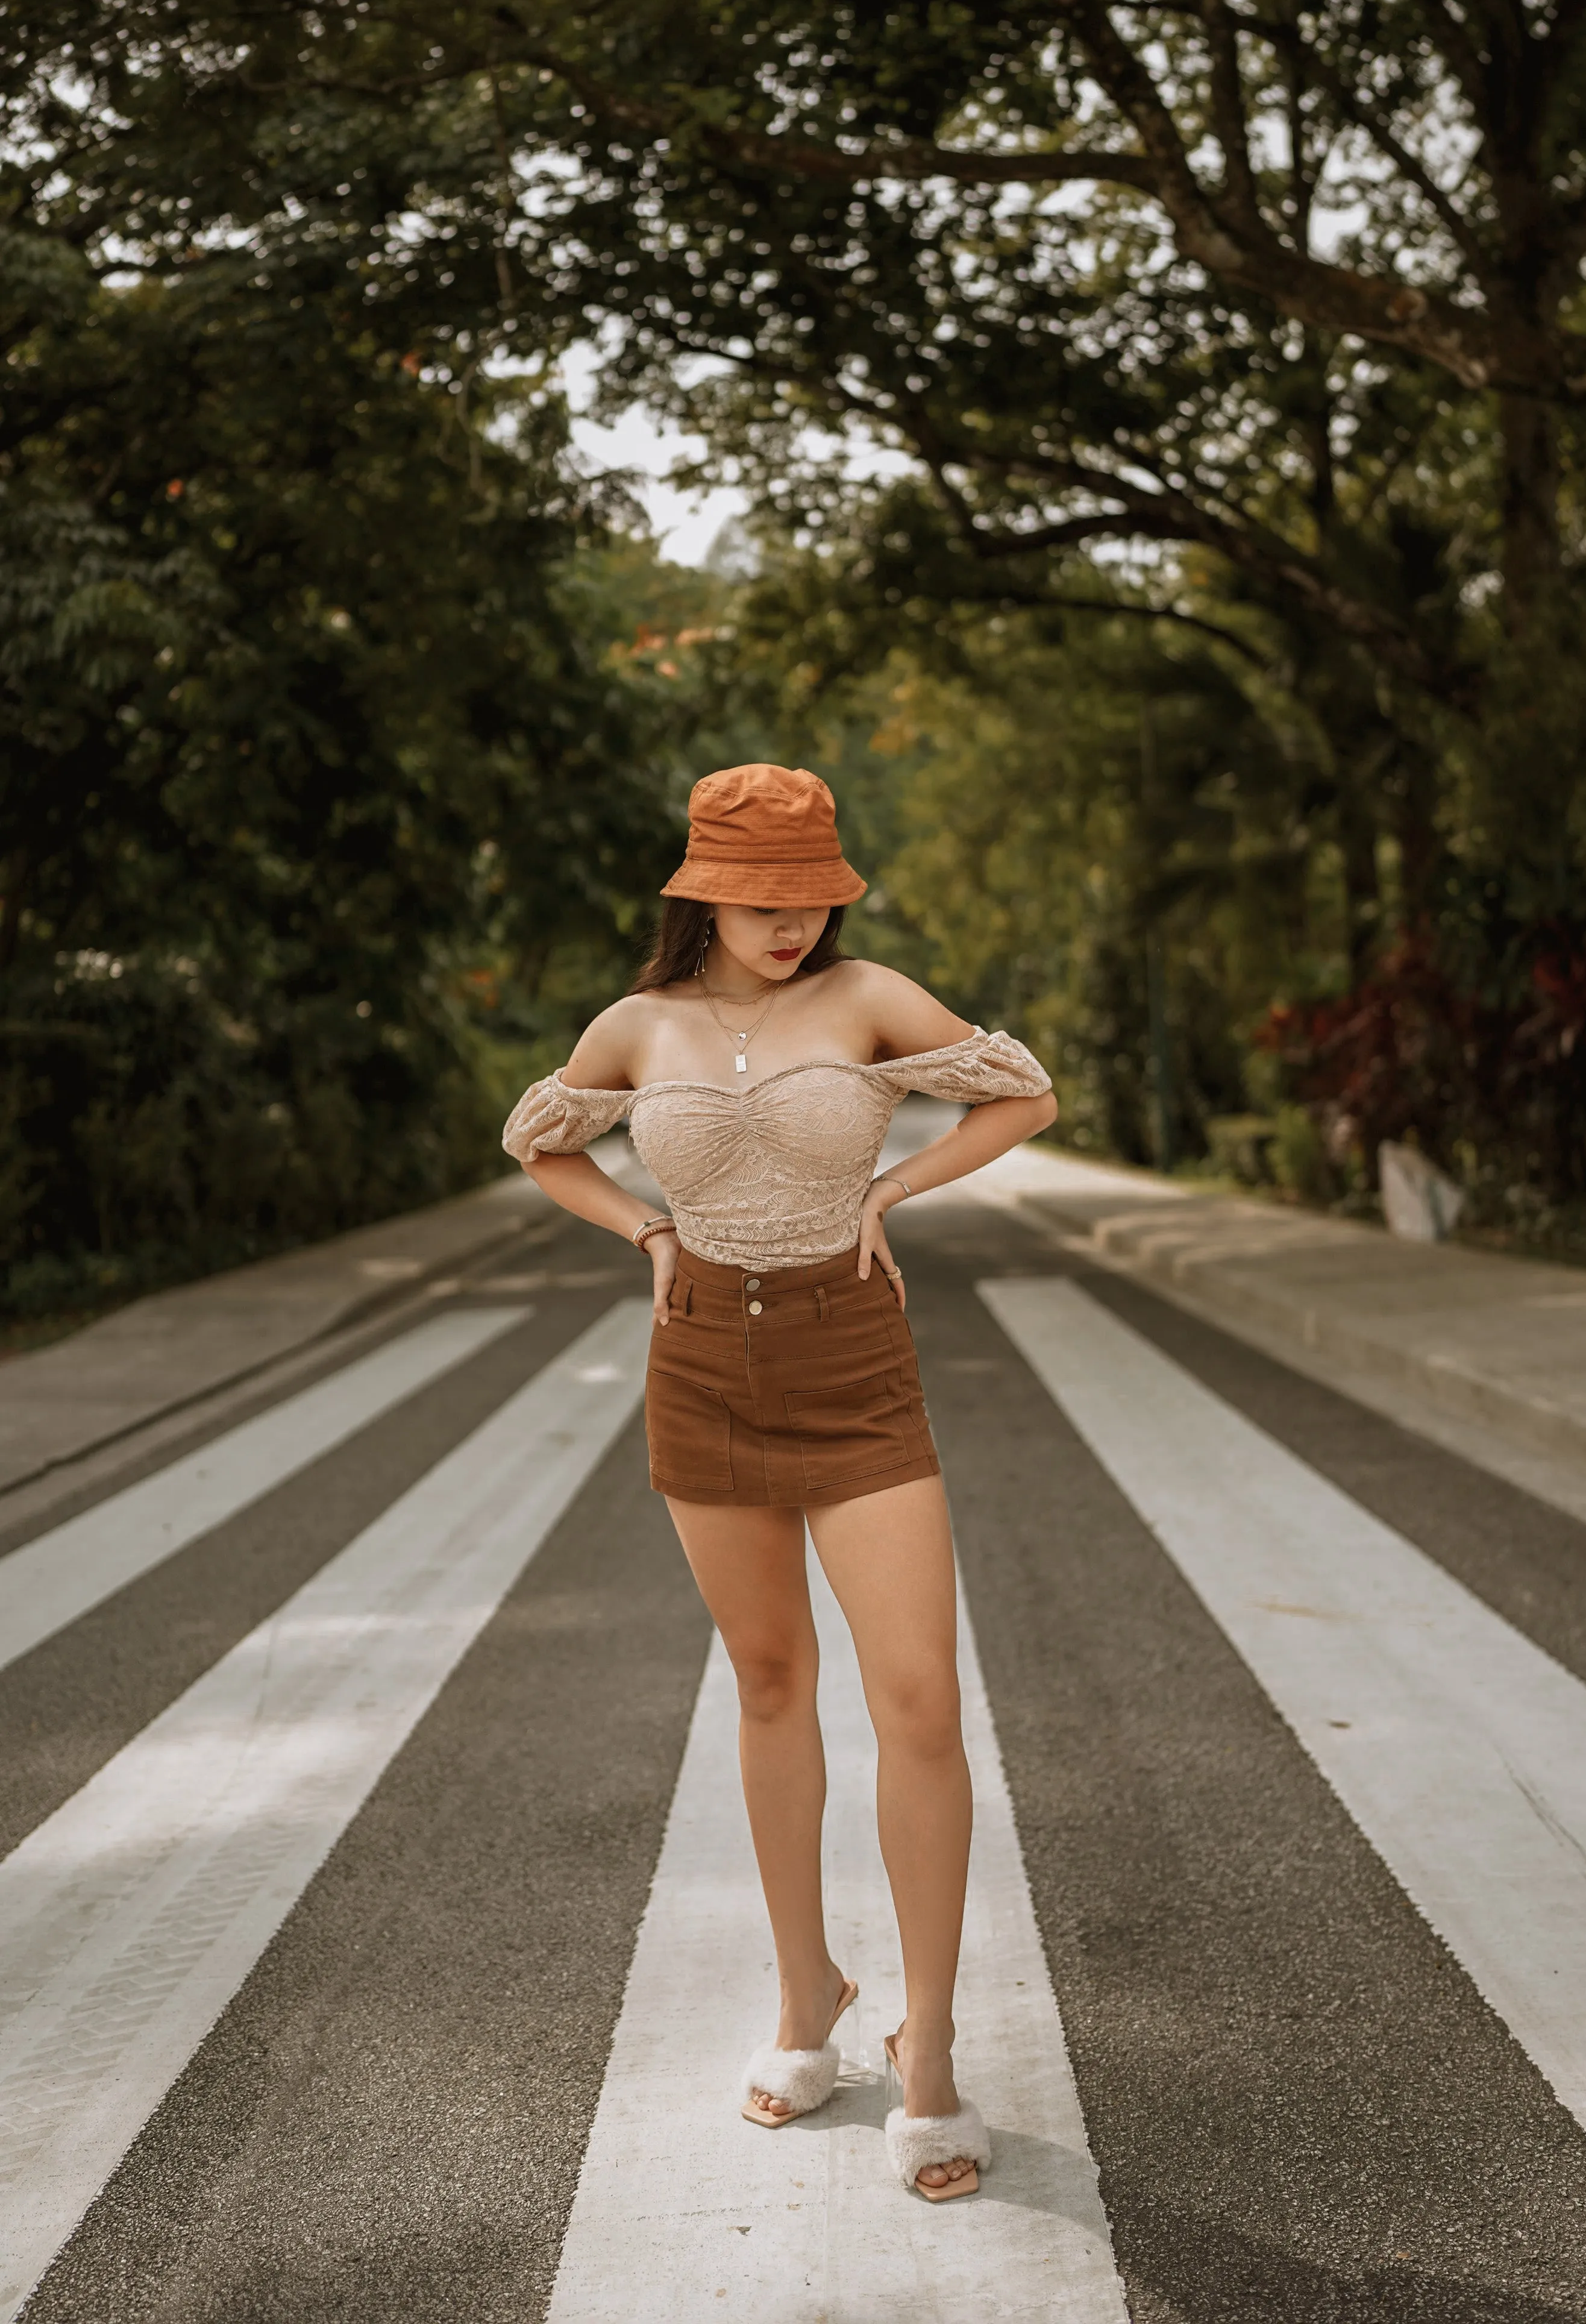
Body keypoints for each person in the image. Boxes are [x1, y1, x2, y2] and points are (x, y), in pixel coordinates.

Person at [502, 763, 1056, 2202]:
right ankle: (806, 1990)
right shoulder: (638, 1026)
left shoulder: (871, 998)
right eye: (762, 896)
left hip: (853, 1356)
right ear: (701, 892)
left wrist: (890, 1189)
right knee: (766, 1677)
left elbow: (1023, 1094)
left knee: (919, 1693)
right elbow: (541, 1142)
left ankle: (925, 2046)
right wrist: (641, 1228)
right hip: (703, 1363)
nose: (793, 918)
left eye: (813, 892)